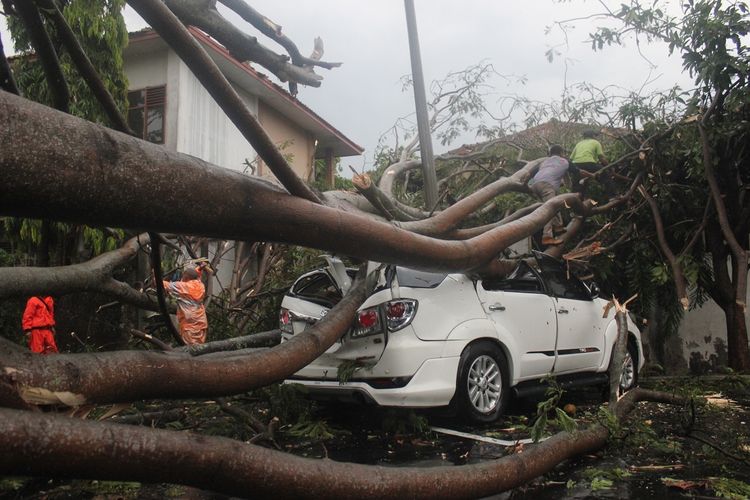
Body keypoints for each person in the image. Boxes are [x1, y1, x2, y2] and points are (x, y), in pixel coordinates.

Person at [529, 144, 569, 246]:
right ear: (561, 153)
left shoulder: (545, 162)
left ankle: (558, 226)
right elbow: (568, 178)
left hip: (535, 185)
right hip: (547, 186)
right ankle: (547, 237)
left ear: (550, 153)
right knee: (549, 210)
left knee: (555, 202)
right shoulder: (563, 161)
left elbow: (534, 173)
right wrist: (571, 191)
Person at [163, 266, 208, 345]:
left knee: (190, 349)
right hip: (201, 323)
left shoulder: (183, 287)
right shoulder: (201, 286)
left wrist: (154, 274)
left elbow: (162, 284)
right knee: (200, 347)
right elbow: (196, 276)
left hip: (189, 325)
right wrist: (199, 269)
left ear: (186, 277)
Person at [569, 129, 608, 197]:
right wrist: (609, 166)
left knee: (577, 186)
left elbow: (571, 158)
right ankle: (613, 196)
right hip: (589, 163)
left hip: (576, 165)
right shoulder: (596, 142)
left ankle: (575, 203)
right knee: (605, 175)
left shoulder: (579, 143)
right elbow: (601, 158)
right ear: (593, 136)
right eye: (595, 136)